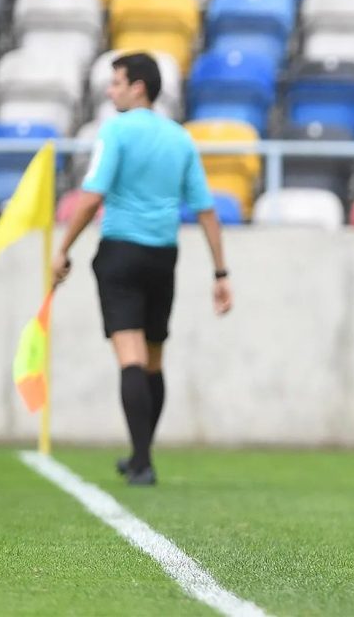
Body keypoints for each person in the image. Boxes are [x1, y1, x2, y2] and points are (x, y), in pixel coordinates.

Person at [52, 52, 232, 486]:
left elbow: (92, 196)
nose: (110, 91)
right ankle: (139, 457)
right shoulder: (180, 139)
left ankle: (142, 462)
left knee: (129, 356)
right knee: (153, 359)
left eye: (116, 83)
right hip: (162, 257)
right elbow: (206, 211)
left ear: (138, 87)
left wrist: (63, 250)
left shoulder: (115, 131)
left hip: (120, 253)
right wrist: (220, 273)